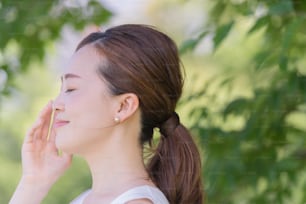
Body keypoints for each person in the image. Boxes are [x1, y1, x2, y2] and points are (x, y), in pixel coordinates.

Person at [9, 24, 204, 204]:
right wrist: (33, 182)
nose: (55, 104)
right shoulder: (85, 199)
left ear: (123, 106)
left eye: (71, 89)